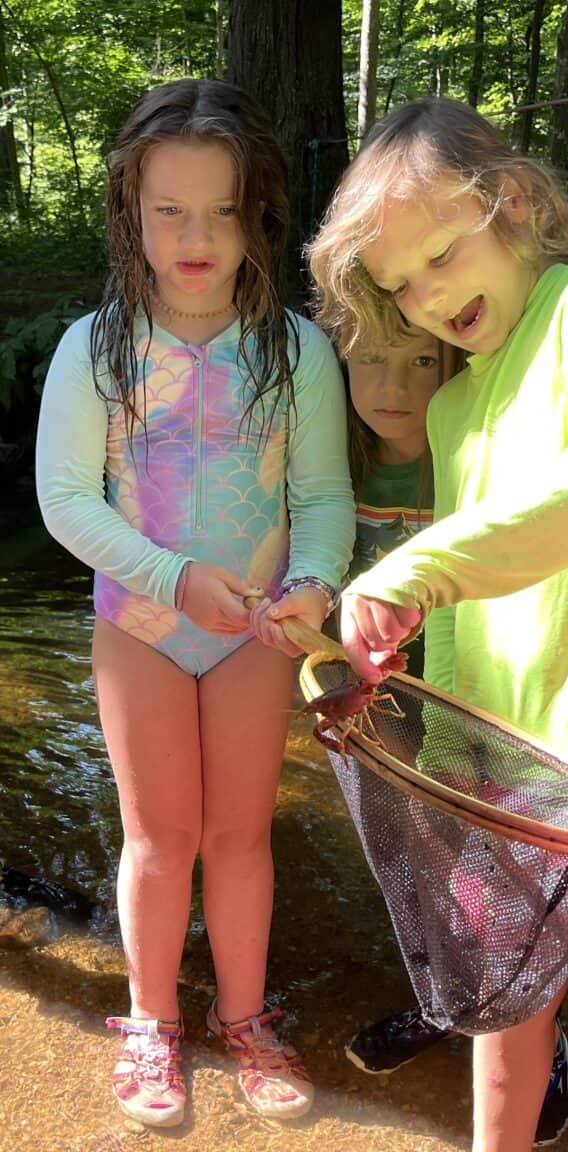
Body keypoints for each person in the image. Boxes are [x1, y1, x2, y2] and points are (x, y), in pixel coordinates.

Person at [305, 98, 568, 1152]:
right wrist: (446, 760)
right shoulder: (454, 411)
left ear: (514, 204)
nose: (427, 295)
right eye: (401, 283)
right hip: (504, 775)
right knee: (504, 1016)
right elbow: (461, 618)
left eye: (443, 255)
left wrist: (418, 567)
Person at [35, 78, 355, 1129]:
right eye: (169, 210)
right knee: (158, 837)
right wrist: (172, 579)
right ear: (130, 215)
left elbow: (320, 498)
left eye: (221, 210)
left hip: (259, 629)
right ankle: (151, 1018)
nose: (196, 234)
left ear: (257, 213)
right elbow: (66, 499)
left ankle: (248, 1016)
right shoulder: (97, 348)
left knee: (241, 836)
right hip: (142, 626)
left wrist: (313, 583)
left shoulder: (296, 353)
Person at [338, 324, 568, 1145]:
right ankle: (454, 1002)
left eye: (420, 363)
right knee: (425, 868)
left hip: (474, 701)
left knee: (499, 871)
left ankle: (540, 1029)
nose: (392, 384)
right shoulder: (339, 460)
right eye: (370, 359)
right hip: (388, 709)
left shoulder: (469, 458)